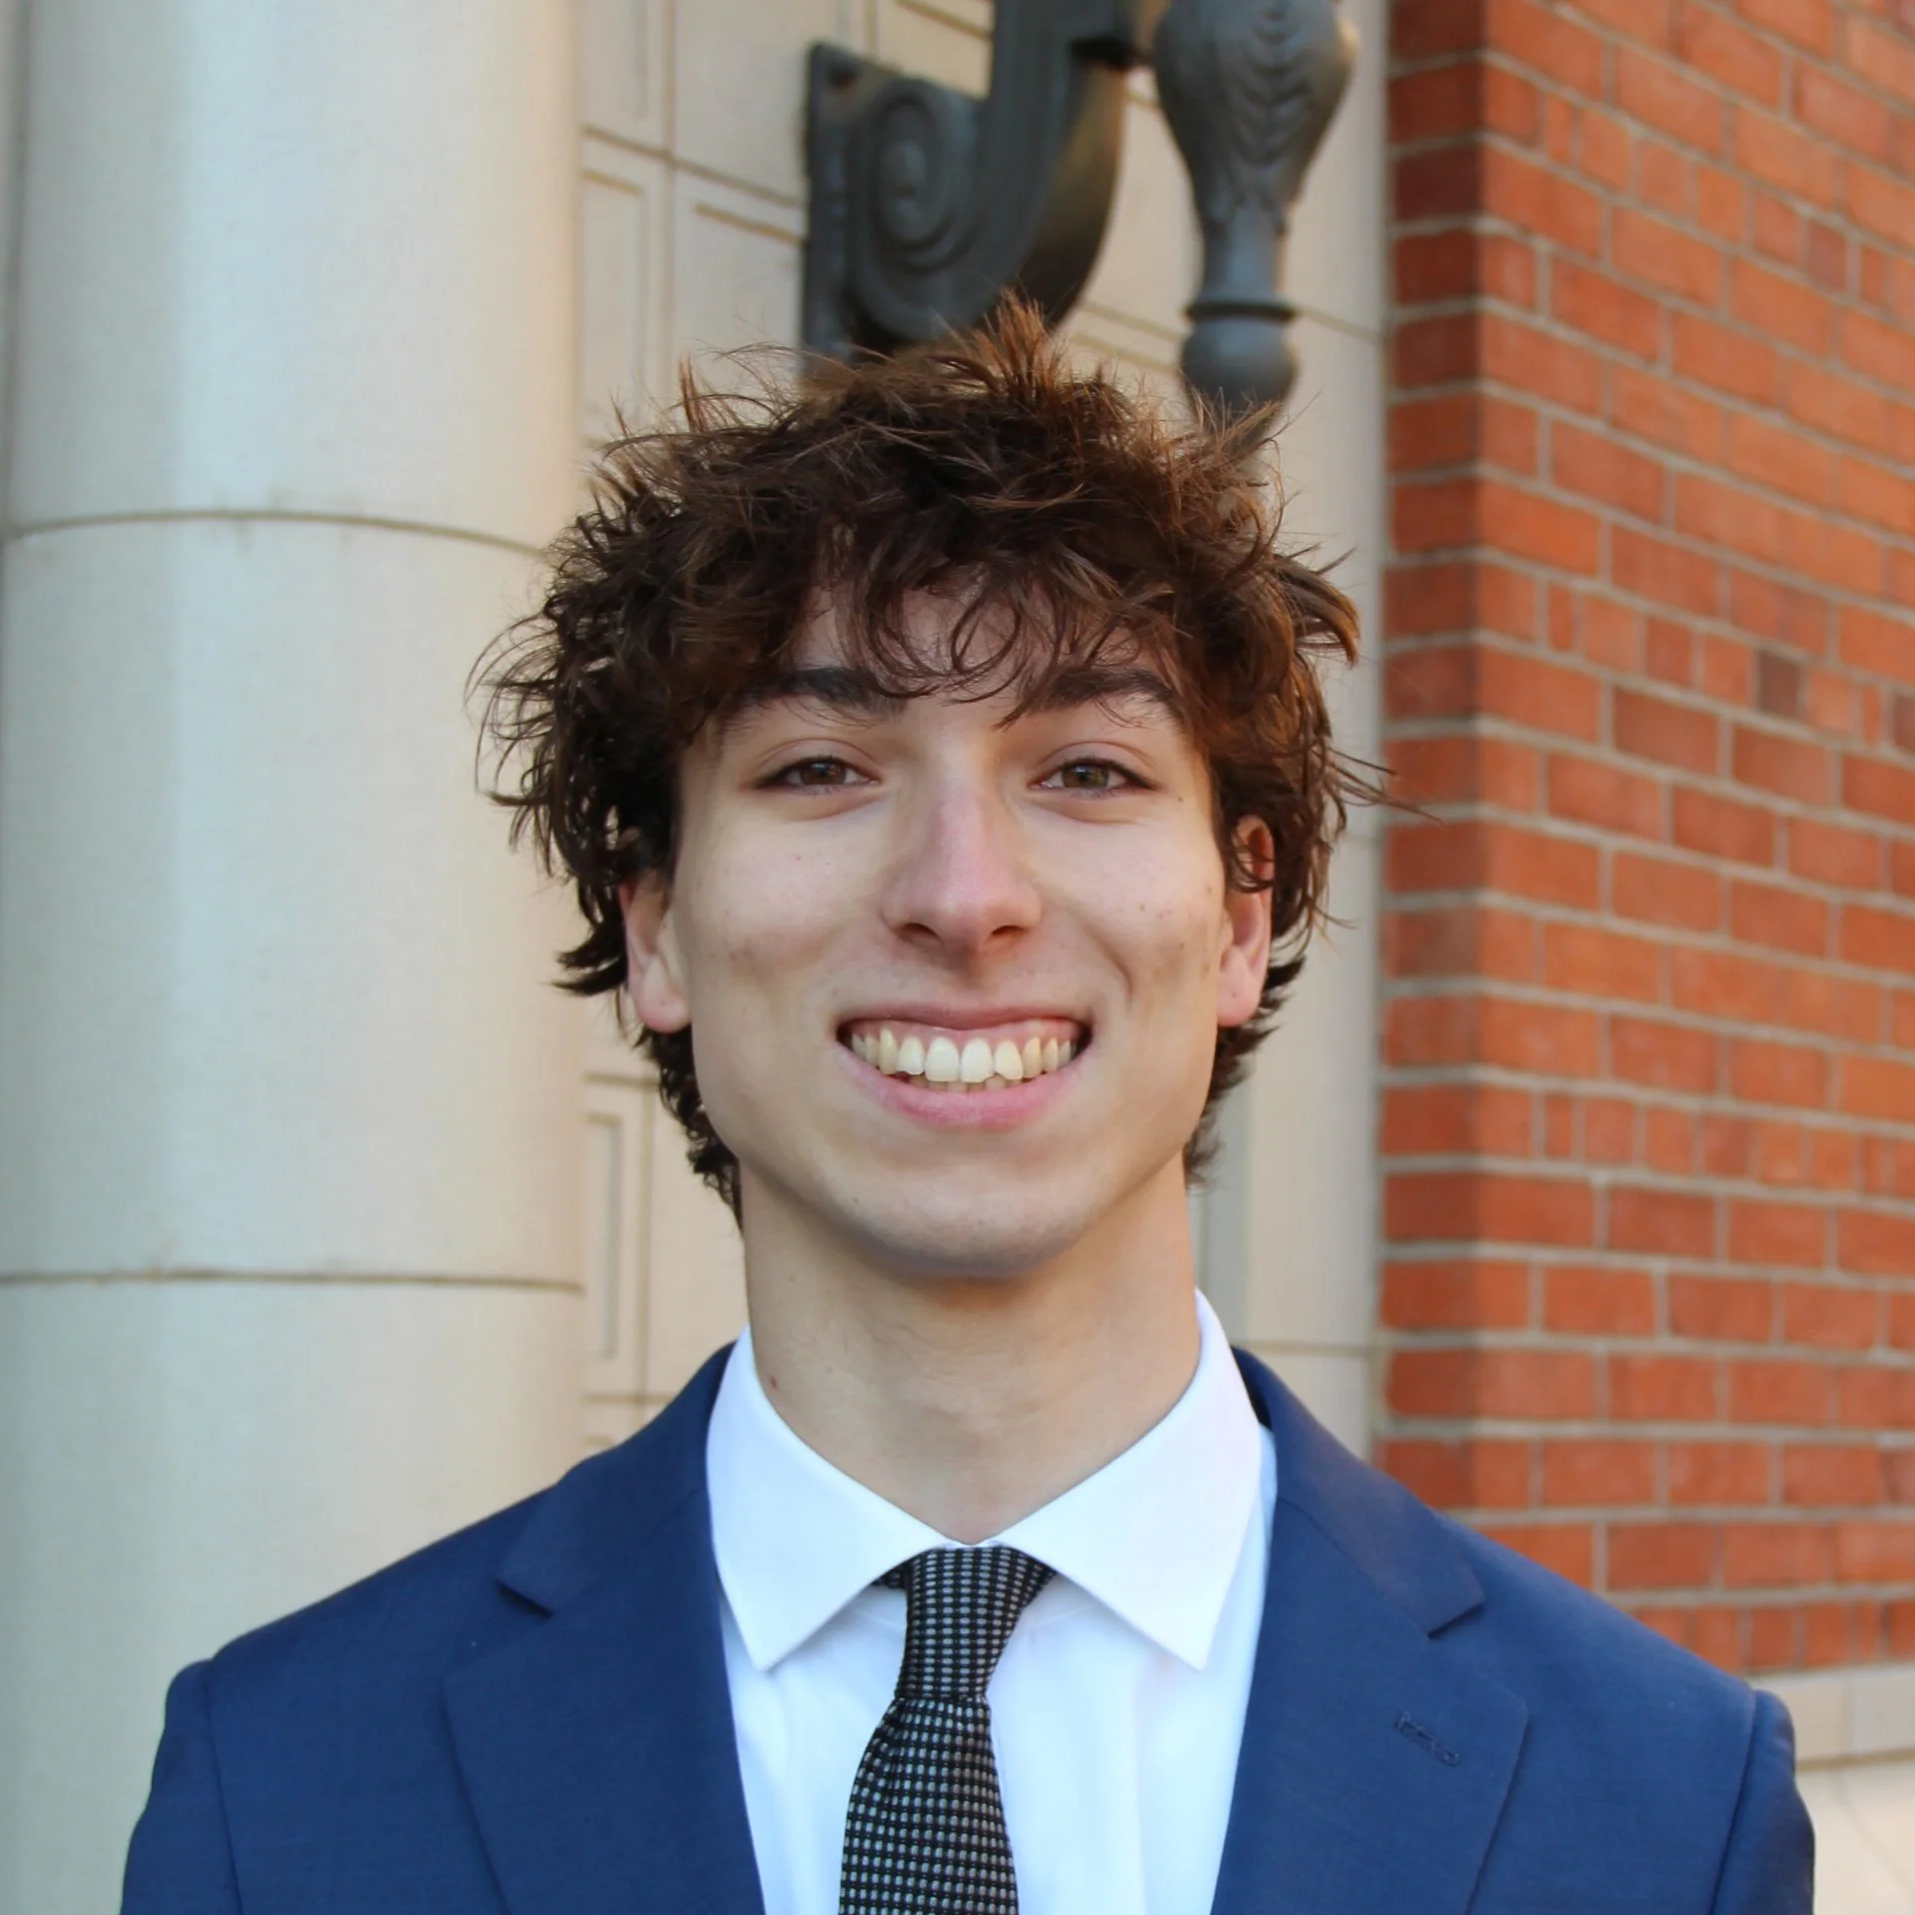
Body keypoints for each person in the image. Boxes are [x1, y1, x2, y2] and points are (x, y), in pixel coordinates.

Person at [121, 306, 1812, 1914]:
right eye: (820, 768)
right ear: (655, 926)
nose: (962, 890)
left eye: (1085, 767)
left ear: (1238, 917)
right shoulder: (278, 1783)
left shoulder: (1668, 1799)